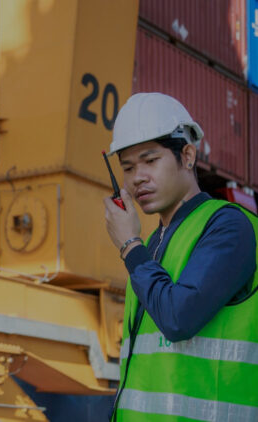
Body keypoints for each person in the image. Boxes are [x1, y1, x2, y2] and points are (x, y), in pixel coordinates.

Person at [103, 92, 258, 421]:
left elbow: (178, 318)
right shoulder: (153, 245)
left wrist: (130, 244)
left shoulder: (229, 226)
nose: (137, 177)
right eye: (128, 167)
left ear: (187, 155)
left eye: (150, 161)